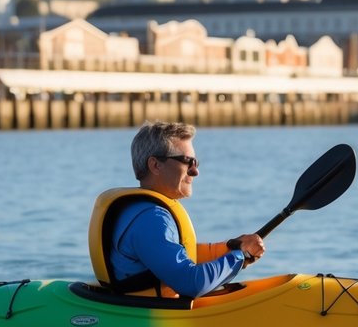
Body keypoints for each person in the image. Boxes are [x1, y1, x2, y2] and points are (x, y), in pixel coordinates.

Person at [91, 121, 266, 299]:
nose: (195, 171)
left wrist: (229, 248)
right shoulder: (152, 219)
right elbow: (191, 284)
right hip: (146, 316)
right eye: (187, 162)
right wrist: (240, 256)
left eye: (196, 162)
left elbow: (174, 254)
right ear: (155, 165)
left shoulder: (137, 210)